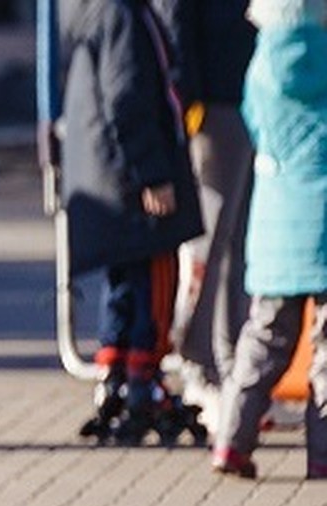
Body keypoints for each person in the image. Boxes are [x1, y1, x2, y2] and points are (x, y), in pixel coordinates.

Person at [59, 0, 204, 443]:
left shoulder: (93, 10)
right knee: (155, 281)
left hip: (106, 176)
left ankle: (114, 373)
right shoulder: (122, 14)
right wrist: (154, 175)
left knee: (122, 285)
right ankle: (145, 379)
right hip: (132, 180)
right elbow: (128, 95)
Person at [210, 0, 327, 480]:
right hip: (323, 223)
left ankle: (231, 442)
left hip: (275, 223)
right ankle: (322, 454)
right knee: (326, 346)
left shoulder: (260, 69)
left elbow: (254, 124)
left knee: (263, 336)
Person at [167, 0, 257, 437]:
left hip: (253, 94)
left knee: (239, 246)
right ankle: (197, 363)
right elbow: (177, 22)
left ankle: (228, 363)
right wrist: (191, 104)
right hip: (216, 101)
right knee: (212, 241)